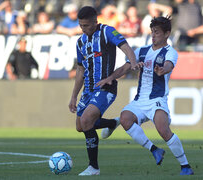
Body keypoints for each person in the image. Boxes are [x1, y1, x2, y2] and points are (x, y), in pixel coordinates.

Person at [99, 16, 194, 175]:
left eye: (157, 32)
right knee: (125, 118)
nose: (153, 35)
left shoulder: (170, 52)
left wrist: (162, 70)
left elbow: (168, 66)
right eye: (152, 31)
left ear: (166, 34)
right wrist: (110, 78)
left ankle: (186, 166)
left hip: (157, 99)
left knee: (163, 130)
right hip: (140, 100)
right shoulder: (141, 51)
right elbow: (125, 68)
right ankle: (155, 150)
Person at [68, 6, 138, 176]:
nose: (84, 29)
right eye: (81, 26)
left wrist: (133, 62)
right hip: (88, 90)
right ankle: (112, 123)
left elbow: (126, 47)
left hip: (106, 87)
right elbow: (80, 70)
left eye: (87, 25)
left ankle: (93, 167)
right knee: (80, 126)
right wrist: (73, 96)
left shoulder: (107, 32)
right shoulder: (80, 42)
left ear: (95, 22)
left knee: (86, 121)